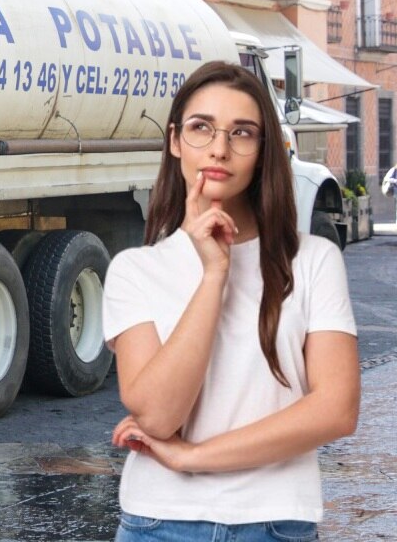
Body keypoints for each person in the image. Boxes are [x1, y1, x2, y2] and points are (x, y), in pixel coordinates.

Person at [102, 61, 360, 541]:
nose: (219, 148)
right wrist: (214, 274)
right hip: (160, 522)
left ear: (262, 152)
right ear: (176, 140)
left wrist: (195, 456)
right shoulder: (134, 271)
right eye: (202, 128)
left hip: (275, 522)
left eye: (242, 133)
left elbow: (336, 410)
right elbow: (159, 415)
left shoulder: (313, 260)